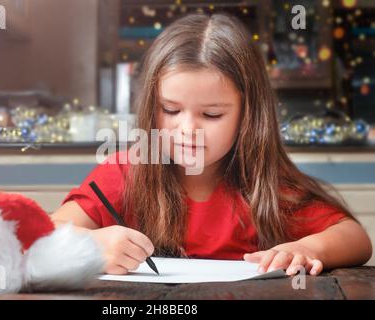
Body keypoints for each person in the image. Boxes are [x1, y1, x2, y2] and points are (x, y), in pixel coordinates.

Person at [52, 14, 372, 276]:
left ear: (248, 115)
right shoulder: (125, 172)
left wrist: (308, 249)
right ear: (151, 107)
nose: (188, 129)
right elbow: (47, 233)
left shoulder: (265, 185)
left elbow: (355, 239)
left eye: (212, 114)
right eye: (171, 110)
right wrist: (91, 245)